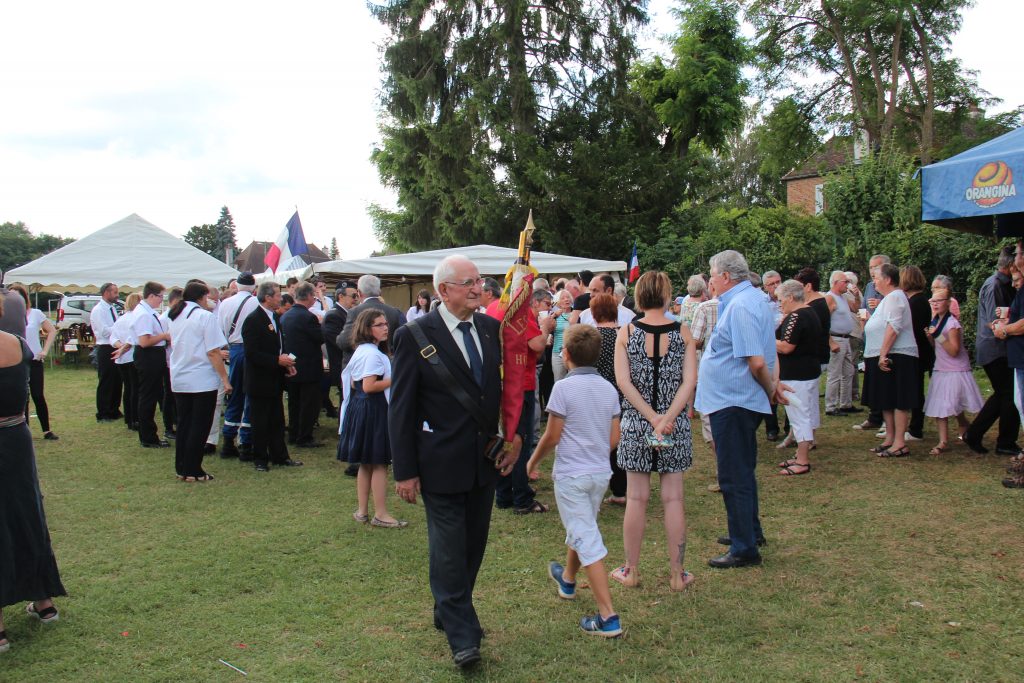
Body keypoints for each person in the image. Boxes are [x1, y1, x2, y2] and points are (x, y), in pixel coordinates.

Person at [389, 254, 518, 669]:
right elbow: (401, 410)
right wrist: (405, 470)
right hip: (438, 462)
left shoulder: (490, 328)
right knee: (448, 549)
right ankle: (464, 637)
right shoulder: (414, 334)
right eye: (469, 283)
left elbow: (498, 393)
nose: (479, 288)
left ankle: (448, 608)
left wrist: (510, 441)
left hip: (483, 462)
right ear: (444, 291)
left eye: (479, 281)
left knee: (472, 546)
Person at [526, 325, 623, 636]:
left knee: (587, 538)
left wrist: (531, 462)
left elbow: (552, 435)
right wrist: (595, 451)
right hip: (599, 474)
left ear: (565, 354)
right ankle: (568, 580)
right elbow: (614, 437)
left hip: (572, 475)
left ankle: (608, 617)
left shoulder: (563, 388)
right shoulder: (608, 388)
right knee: (583, 527)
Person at [695, 250, 786, 569]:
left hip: (733, 400)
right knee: (741, 469)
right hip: (733, 398)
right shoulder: (748, 300)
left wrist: (771, 389)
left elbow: (756, 360)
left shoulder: (743, 305)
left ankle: (744, 546)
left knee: (734, 474)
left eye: (712, 273)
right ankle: (748, 532)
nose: (709, 280)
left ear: (726, 277)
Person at [610, 271, 697, 588]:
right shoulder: (683, 331)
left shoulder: (627, 332)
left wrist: (650, 417)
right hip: (674, 424)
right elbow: (689, 381)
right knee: (673, 498)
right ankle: (678, 573)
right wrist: (666, 417)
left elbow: (624, 382)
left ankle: (630, 570)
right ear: (665, 295)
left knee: (636, 497)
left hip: (635, 422)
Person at [0, 293, 66, 654]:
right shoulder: (18, 344)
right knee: (27, 514)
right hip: (15, 437)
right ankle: (43, 600)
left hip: (11, 435)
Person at [338, 310, 406, 528]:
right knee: (378, 463)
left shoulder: (363, 351)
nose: (385, 328)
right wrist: (396, 378)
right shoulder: (372, 354)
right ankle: (380, 513)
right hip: (373, 409)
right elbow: (369, 386)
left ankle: (362, 511)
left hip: (362, 407)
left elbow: (353, 383)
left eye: (385, 323)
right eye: (379, 325)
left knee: (367, 463)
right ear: (367, 329)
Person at [490, 289, 553, 515]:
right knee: (520, 441)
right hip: (520, 383)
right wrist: (546, 326)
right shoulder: (521, 313)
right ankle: (521, 498)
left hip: (502, 381)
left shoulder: (496, 307)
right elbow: (537, 345)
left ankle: (504, 493)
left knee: (507, 437)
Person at [167, 282, 230, 482]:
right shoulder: (205, 316)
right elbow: (212, 352)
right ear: (202, 297)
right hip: (200, 379)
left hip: (180, 376)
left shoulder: (176, 315)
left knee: (185, 423)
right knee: (199, 425)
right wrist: (224, 378)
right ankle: (193, 468)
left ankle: (182, 466)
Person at [963, 246, 1020, 455]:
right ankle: (1004, 442)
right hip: (995, 348)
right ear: (1011, 264)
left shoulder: (1004, 284)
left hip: (998, 348)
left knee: (1004, 394)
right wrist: (1007, 325)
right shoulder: (995, 285)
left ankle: (976, 434)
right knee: (1008, 394)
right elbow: (992, 322)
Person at [242, 283, 302, 473]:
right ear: (267, 298)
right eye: (277, 295)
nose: (280, 298)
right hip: (259, 379)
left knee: (277, 419)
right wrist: (277, 360)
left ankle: (280, 456)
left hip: (275, 377)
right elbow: (251, 353)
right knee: (260, 421)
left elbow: (280, 346)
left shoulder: (276, 317)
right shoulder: (253, 320)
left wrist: (287, 365)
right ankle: (260, 458)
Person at [862, 263, 919, 458]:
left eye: (876, 277)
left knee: (898, 399)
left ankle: (900, 442)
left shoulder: (896, 297)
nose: (874, 281)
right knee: (886, 399)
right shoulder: (887, 299)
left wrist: (883, 354)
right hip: (883, 354)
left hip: (896, 356)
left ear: (887, 279)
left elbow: (893, 327)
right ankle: (890, 438)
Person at [923, 286, 983, 455]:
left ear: (948, 303)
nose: (935, 304)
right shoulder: (935, 320)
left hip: (955, 369)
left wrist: (938, 337)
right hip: (941, 368)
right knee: (941, 406)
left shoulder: (952, 324)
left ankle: (963, 423)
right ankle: (943, 441)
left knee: (954, 404)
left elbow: (954, 350)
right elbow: (937, 347)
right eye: (932, 301)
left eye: (938, 301)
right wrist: (931, 337)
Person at [773, 280, 823, 475]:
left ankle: (802, 460)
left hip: (796, 374)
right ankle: (800, 454)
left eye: (781, 299)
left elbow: (787, 346)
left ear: (791, 297)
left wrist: (766, 339)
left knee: (799, 415)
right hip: (809, 371)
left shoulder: (796, 316)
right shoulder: (811, 312)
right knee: (805, 413)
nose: (779, 303)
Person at [217, 272, 260, 461]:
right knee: (250, 394)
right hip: (250, 350)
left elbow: (220, 330)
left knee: (235, 395)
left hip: (233, 349)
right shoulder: (256, 302)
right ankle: (246, 443)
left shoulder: (225, 303)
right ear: (253, 286)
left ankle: (228, 440)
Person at [590, 293, 626, 505]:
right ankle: (620, 490)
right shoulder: (626, 335)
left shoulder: (592, 337)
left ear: (595, 313)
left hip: (597, 395)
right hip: (622, 395)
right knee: (617, 442)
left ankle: (597, 485)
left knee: (597, 442)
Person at [10, 285, 58, 440]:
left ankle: (46, 430)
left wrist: (44, 350)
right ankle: (25, 431)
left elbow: (52, 330)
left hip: (34, 360)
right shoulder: (8, 315)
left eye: (18, 296)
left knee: (38, 395)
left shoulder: (35, 314)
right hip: (16, 360)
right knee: (21, 396)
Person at [281, 283, 325, 448]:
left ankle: (293, 432)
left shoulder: (286, 315)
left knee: (294, 402)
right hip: (308, 365)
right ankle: (304, 436)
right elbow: (320, 337)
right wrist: (321, 325)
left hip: (292, 364)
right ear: (307, 296)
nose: (314, 298)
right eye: (313, 295)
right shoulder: (308, 317)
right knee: (308, 403)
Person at [853, 255, 891, 433]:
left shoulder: (892, 288)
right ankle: (874, 416)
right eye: (870, 267)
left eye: (877, 267)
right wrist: (862, 326)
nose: (872, 270)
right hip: (870, 338)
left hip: (885, 340)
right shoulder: (869, 286)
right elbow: (862, 308)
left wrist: (879, 304)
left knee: (885, 380)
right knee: (872, 379)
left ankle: (886, 418)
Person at [131, 282, 171, 448]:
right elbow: (145, 341)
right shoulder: (144, 314)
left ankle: (148, 434)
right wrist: (164, 336)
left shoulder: (147, 311)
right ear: (152, 296)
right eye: (160, 296)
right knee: (148, 396)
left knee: (152, 394)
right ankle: (148, 436)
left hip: (153, 355)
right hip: (148, 356)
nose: (161, 300)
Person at [338, 275, 406, 370]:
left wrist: (339, 337)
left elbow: (344, 342)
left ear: (359, 293)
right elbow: (402, 340)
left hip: (362, 367)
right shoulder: (394, 312)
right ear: (379, 292)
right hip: (387, 365)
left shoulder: (355, 312)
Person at [902, 265, 934, 442]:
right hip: (920, 350)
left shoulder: (917, 302)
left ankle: (916, 427)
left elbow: (914, 329)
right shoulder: (918, 300)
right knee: (916, 388)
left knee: (916, 390)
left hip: (918, 351)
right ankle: (914, 425)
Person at [824, 271, 860, 416]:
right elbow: (823, 322)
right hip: (836, 338)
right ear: (835, 282)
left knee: (848, 371)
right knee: (834, 373)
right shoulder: (830, 298)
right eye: (845, 281)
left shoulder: (843, 297)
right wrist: (830, 342)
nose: (848, 284)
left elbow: (856, 308)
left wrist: (856, 295)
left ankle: (845, 403)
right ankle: (830, 406)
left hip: (846, 338)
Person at [90, 282, 123, 422]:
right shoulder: (99, 310)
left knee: (117, 380)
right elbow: (103, 330)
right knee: (106, 380)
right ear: (106, 293)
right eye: (115, 292)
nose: (117, 295)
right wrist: (118, 329)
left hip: (115, 345)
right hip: (105, 347)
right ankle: (103, 412)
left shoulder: (112, 308)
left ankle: (114, 409)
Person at [110, 293, 141, 432]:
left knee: (128, 389)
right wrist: (124, 347)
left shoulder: (120, 319)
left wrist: (119, 346)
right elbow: (132, 339)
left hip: (122, 359)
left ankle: (129, 418)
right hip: (131, 357)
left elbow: (113, 338)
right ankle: (134, 418)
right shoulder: (136, 318)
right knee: (135, 389)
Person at [549, 289, 574, 383]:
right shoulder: (554, 315)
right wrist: (554, 315)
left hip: (573, 352)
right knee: (559, 381)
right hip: (557, 352)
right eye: (563, 298)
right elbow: (546, 327)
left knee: (573, 381)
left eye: (568, 297)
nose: (566, 299)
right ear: (558, 302)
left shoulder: (575, 314)